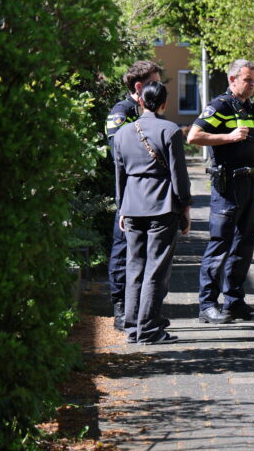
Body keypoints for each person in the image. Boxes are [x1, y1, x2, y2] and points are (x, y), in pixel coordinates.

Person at [187, 59, 254, 324]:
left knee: (244, 245)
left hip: (249, 183)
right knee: (220, 244)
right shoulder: (220, 105)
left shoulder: (250, 108)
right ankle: (207, 305)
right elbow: (193, 136)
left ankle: (234, 303)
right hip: (227, 187)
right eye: (247, 79)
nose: (252, 84)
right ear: (232, 80)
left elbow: (250, 139)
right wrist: (229, 137)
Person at [111, 81, 191, 344]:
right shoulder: (170, 130)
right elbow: (179, 175)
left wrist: (122, 208)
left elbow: (119, 174)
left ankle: (133, 327)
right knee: (156, 269)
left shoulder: (122, 133)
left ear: (141, 101)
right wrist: (185, 207)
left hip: (132, 205)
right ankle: (149, 329)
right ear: (164, 103)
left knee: (134, 266)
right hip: (162, 204)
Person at [105, 60, 163, 331]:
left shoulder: (148, 113)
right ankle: (121, 308)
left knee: (147, 254)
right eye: (154, 83)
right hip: (129, 194)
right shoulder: (122, 113)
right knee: (123, 252)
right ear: (139, 87)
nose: (160, 88)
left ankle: (143, 310)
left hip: (150, 195)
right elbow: (119, 156)